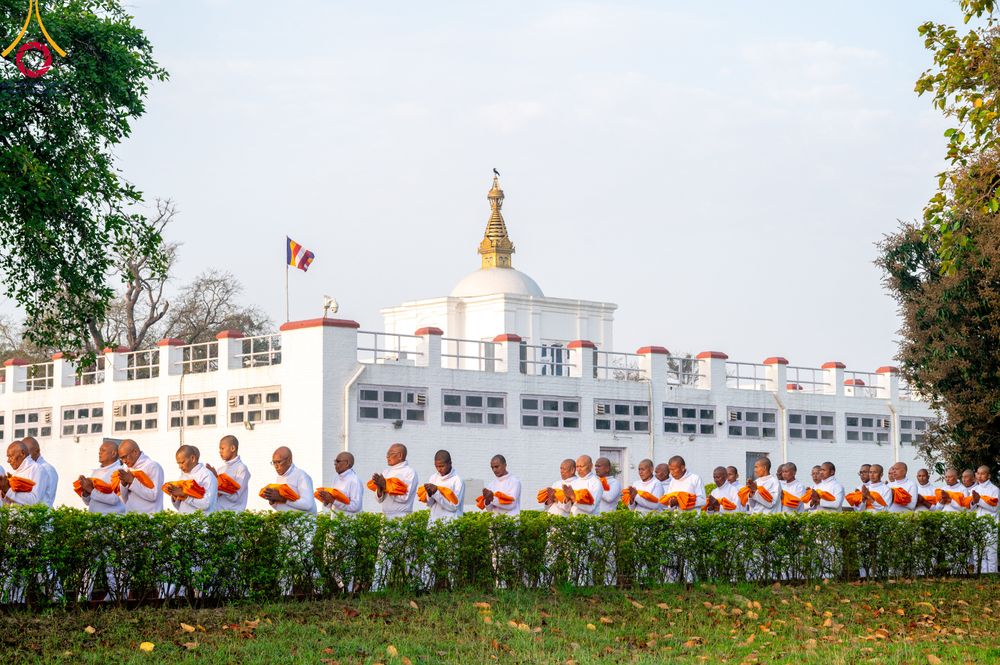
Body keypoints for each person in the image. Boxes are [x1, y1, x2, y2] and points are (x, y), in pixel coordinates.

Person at [260, 446, 316, 513]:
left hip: (303, 522)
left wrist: (283, 499)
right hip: (286, 521)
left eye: (279, 462)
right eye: (274, 462)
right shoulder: (280, 477)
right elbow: (282, 507)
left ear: (289, 461)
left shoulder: (301, 476)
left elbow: (308, 505)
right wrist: (273, 501)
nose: (276, 466)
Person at [75, 440, 125, 514]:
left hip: (110, 520)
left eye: (103, 450)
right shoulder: (96, 472)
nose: (99, 452)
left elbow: (115, 500)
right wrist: (85, 491)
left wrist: (90, 489)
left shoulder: (120, 472)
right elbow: (88, 502)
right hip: (94, 520)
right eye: (99, 450)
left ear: (113, 454)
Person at [163, 445, 217, 514]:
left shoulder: (207, 475)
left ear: (192, 458)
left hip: (201, 522)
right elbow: (180, 507)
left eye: (182, 462)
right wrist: (175, 496)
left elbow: (206, 504)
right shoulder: (183, 477)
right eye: (178, 463)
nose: (180, 467)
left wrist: (184, 495)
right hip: (184, 521)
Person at [368, 443, 417, 518]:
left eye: (390, 454)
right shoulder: (386, 472)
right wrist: (379, 488)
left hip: (401, 516)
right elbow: (379, 500)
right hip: (386, 515)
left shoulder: (410, 472)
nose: (387, 457)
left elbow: (405, 498)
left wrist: (386, 485)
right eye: (387, 454)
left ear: (400, 455)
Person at [117, 439, 164, 514]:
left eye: (125, 457)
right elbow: (124, 499)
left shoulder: (153, 466)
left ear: (135, 452)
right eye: (121, 458)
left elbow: (153, 496)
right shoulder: (126, 469)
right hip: (131, 518)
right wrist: (123, 484)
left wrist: (132, 481)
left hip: (149, 519)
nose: (124, 461)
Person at [207, 435, 251, 512]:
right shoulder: (221, 469)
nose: (220, 451)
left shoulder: (242, 469)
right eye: (219, 449)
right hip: (218, 513)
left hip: (233, 514)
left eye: (222, 448)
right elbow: (214, 495)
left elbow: (235, 497)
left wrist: (216, 478)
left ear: (233, 448)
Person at [419, 449, 464, 522]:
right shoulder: (433, 477)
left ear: (450, 463)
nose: (439, 469)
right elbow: (430, 504)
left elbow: (454, 507)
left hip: (450, 522)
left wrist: (436, 492)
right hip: (434, 521)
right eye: (436, 466)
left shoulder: (457, 481)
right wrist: (429, 493)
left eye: (442, 466)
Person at [969, 465, 998, 574]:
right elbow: (970, 508)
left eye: (983, 473)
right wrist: (973, 502)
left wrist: (979, 500)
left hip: (990, 524)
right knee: (977, 553)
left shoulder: (994, 489)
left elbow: (994, 508)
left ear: (988, 475)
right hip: (976, 524)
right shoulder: (974, 489)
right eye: (978, 473)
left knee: (990, 552)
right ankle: (979, 576)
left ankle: (991, 577)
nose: (979, 476)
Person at [0, 441, 44, 507]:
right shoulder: (16, 474)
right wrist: (4, 491)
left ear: (22, 453)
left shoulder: (36, 469)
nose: (8, 461)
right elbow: (12, 503)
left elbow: (35, 501)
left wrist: (8, 490)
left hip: (30, 517)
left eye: (10, 456)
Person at [22, 436, 57, 508]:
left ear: (37, 451)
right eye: (22, 453)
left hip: (41, 515)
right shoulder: (29, 468)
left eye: (27, 454)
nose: (25, 457)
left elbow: (36, 498)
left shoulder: (46, 469)